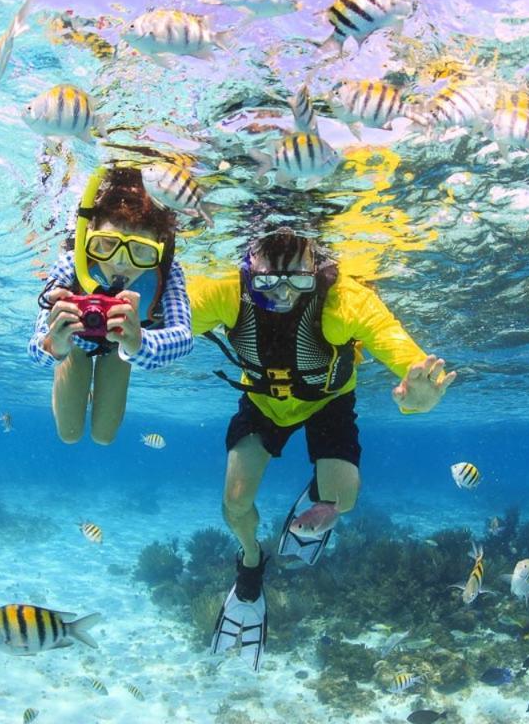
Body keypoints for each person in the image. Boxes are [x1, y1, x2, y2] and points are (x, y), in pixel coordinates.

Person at [190, 228, 456, 670]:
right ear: (247, 268)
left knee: (344, 500)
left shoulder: (344, 301)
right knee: (235, 504)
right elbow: (171, 317)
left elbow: (400, 349)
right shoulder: (225, 294)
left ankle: (317, 503)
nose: (283, 294)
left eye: (298, 280)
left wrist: (420, 395)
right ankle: (251, 565)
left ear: (318, 269)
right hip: (262, 405)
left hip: (328, 402)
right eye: (268, 282)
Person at [28, 164, 193, 444]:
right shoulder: (71, 263)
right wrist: (53, 344)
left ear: (159, 247)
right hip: (75, 348)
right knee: (68, 434)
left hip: (121, 348)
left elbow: (184, 337)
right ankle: (82, 376)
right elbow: (34, 348)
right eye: (106, 244)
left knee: (104, 436)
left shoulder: (168, 271)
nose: (120, 262)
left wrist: (137, 343)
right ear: (88, 236)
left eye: (141, 251)